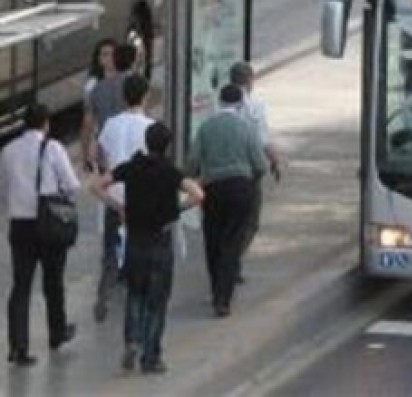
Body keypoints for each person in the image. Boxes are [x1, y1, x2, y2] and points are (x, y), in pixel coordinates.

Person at [91, 122, 203, 375]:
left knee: (135, 295)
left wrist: (119, 207)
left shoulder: (131, 167)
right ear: (167, 146)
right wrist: (175, 210)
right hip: (159, 243)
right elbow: (197, 194)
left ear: (147, 141)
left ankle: (132, 340)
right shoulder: (170, 172)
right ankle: (151, 357)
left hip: (135, 242)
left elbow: (96, 186)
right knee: (157, 301)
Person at [2, 104, 79, 366]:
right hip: (49, 223)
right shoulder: (53, 148)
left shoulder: (8, 151)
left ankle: (18, 346)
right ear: (46, 123)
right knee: (53, 281)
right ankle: (57, 333)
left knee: (21, 286)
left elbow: (3, 190)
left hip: (20, 225)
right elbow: (72, 185)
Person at [186, 85, 266, 317]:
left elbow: (193, 162)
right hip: (240, 188)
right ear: (240, 104)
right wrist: (251, 181)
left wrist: (197, 176)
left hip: (213, 189)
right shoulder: (246, 128)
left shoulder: (206, 128)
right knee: (232, 242)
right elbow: (260, 164)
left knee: (213, 240)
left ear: (219, 102)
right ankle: (223, 298)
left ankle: (216, 289)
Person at [92, 73, 153, 324]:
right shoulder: (150, 127)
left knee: (111, 250)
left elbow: (99, 156)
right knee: (139, 253)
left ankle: (105, 290)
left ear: (124, 97)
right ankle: (134, 300)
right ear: (146, 96)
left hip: (114, 197)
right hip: (140, 201)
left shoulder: (111, 124)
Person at [228, 61, 281, 281]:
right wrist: (275, 162)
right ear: (250, 80)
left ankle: (228, 259)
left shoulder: (220, 104)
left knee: (228, 220)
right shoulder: (255, 106)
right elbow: (262, 140)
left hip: (222, 172)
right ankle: (233, 259)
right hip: (247, 173)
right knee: (249, 221)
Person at [81, 43, 138, 173]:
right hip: (128, 146)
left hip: (106, 149)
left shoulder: (96, 89)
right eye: (105, 55)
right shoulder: (132, 84)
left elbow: (87, 124)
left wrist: (85, 155)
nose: (109, 58)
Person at [83, 38, 118, 103]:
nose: (110, 58)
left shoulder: (128, 75)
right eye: (105, 55)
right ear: (99, 59)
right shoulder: (92, 85)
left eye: (113, 54)